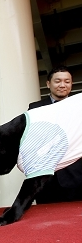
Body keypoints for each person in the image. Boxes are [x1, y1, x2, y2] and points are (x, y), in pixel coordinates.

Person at [28, 65, 82, 203]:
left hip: (77, 177)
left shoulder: (79, 107)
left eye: (67, 81)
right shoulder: (35, 108)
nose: (62, 85)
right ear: (48, 84)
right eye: (57, 81)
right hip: (47, 179)